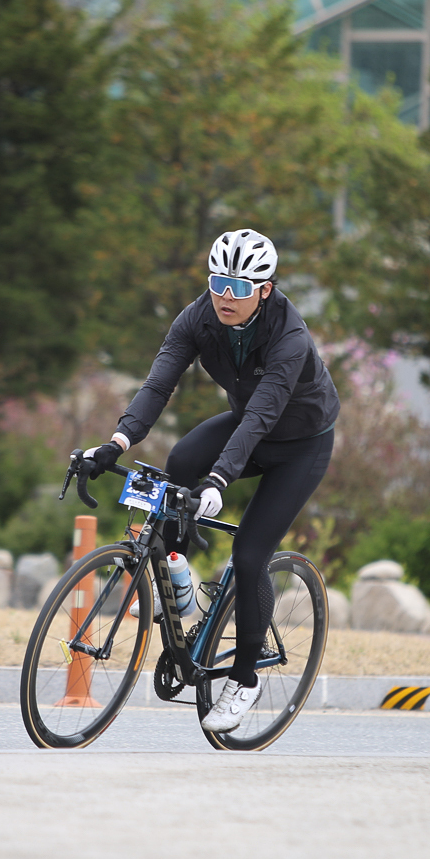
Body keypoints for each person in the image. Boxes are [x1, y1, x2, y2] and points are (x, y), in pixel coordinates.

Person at [83, 229, 338, 731]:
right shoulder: (198, 317)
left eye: (239, 288)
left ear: (265, 290)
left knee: (249, 554)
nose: (225, 296)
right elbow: (159, 383)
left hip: (299, 445)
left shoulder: (289, 337)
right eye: (218, 282)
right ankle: (177, 572)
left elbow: (262, 414)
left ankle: (244, 679)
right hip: (247, 425)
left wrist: (220, 479)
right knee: (180, 461)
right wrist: (116, 442)